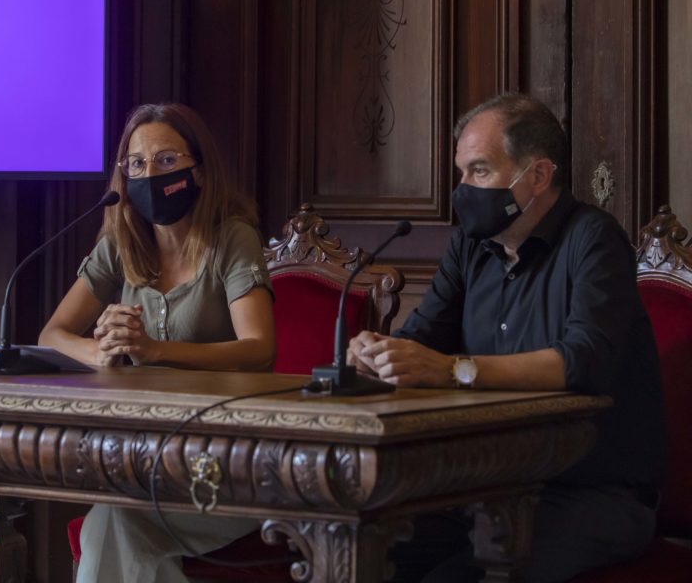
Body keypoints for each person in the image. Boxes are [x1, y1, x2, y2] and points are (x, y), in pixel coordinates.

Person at [347, 92, 666, 582]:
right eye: (461, 172)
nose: (462, 190)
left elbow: (584, 361)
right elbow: (423, 336)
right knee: (362, 556)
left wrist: (454, 371)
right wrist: (377, 354)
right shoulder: (470, 246)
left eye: (479, 171)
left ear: (537, 176)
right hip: (482, 483)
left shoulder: (594, 240)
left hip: (591, 492)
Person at [39, 102, 275, 582]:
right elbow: (52, 334)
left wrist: (155, 349)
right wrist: (99, 351)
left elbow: (259, 348)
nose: (150, 175)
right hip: (143, 461)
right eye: (137, 164)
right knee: (121, 523)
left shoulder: (233, 238)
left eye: (167, 161)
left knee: (115, 521)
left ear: (200, 172)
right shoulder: (121, 243)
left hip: (225, 468)